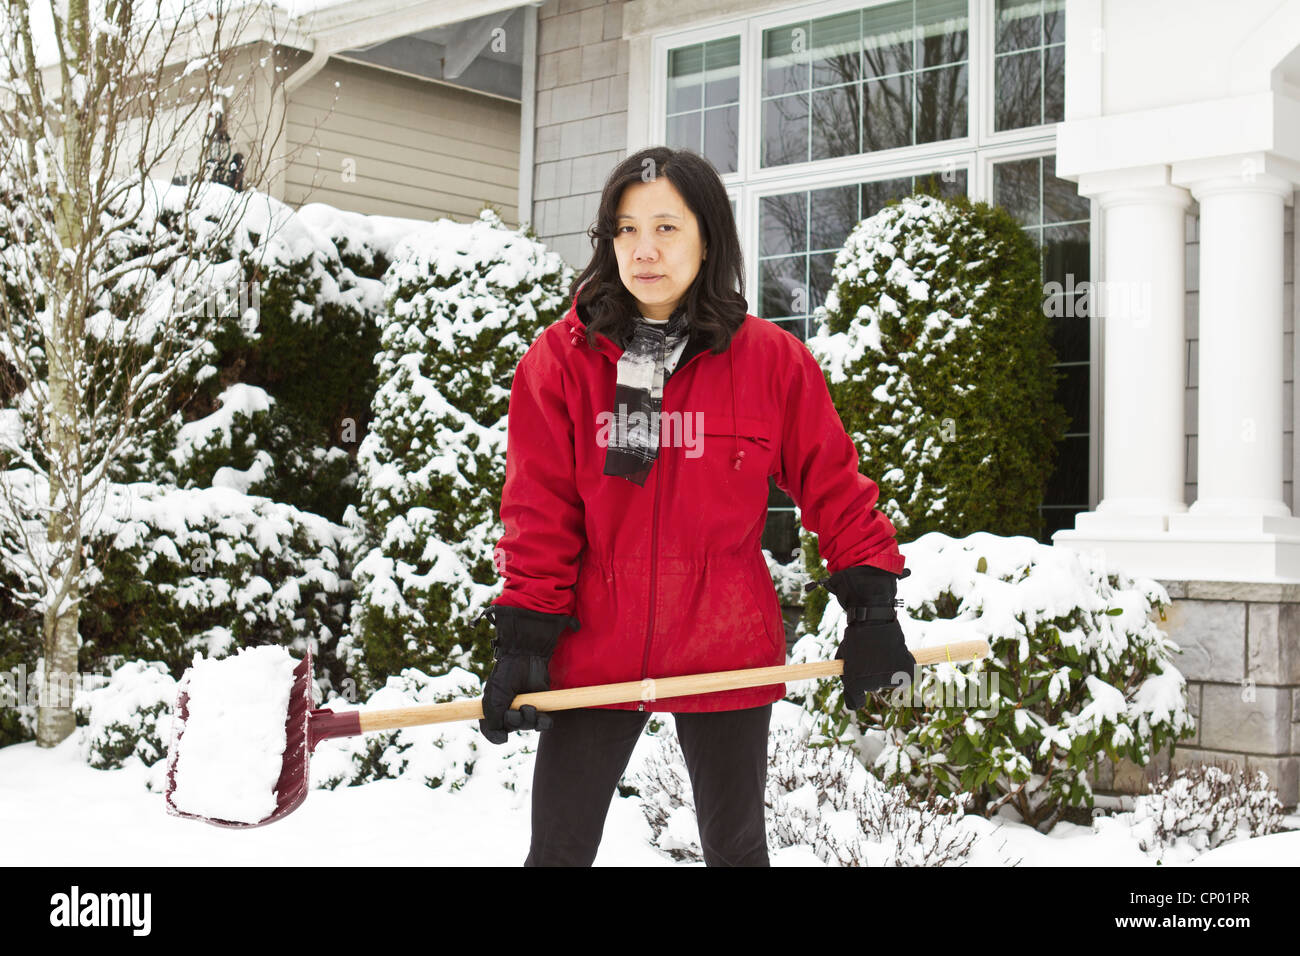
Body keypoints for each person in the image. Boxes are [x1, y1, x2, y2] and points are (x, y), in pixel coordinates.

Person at [479, 145, 914, 867]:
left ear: (708, 236)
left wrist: (873, 614)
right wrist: (524, 644)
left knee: (738, 851)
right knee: (556, 852)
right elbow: (539, 514)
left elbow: (836, 488)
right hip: (596, 645)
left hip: (725, 642)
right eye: (624, 230)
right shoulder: (560, 364)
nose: (643, 250)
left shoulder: (771, 363)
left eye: (666, 228)